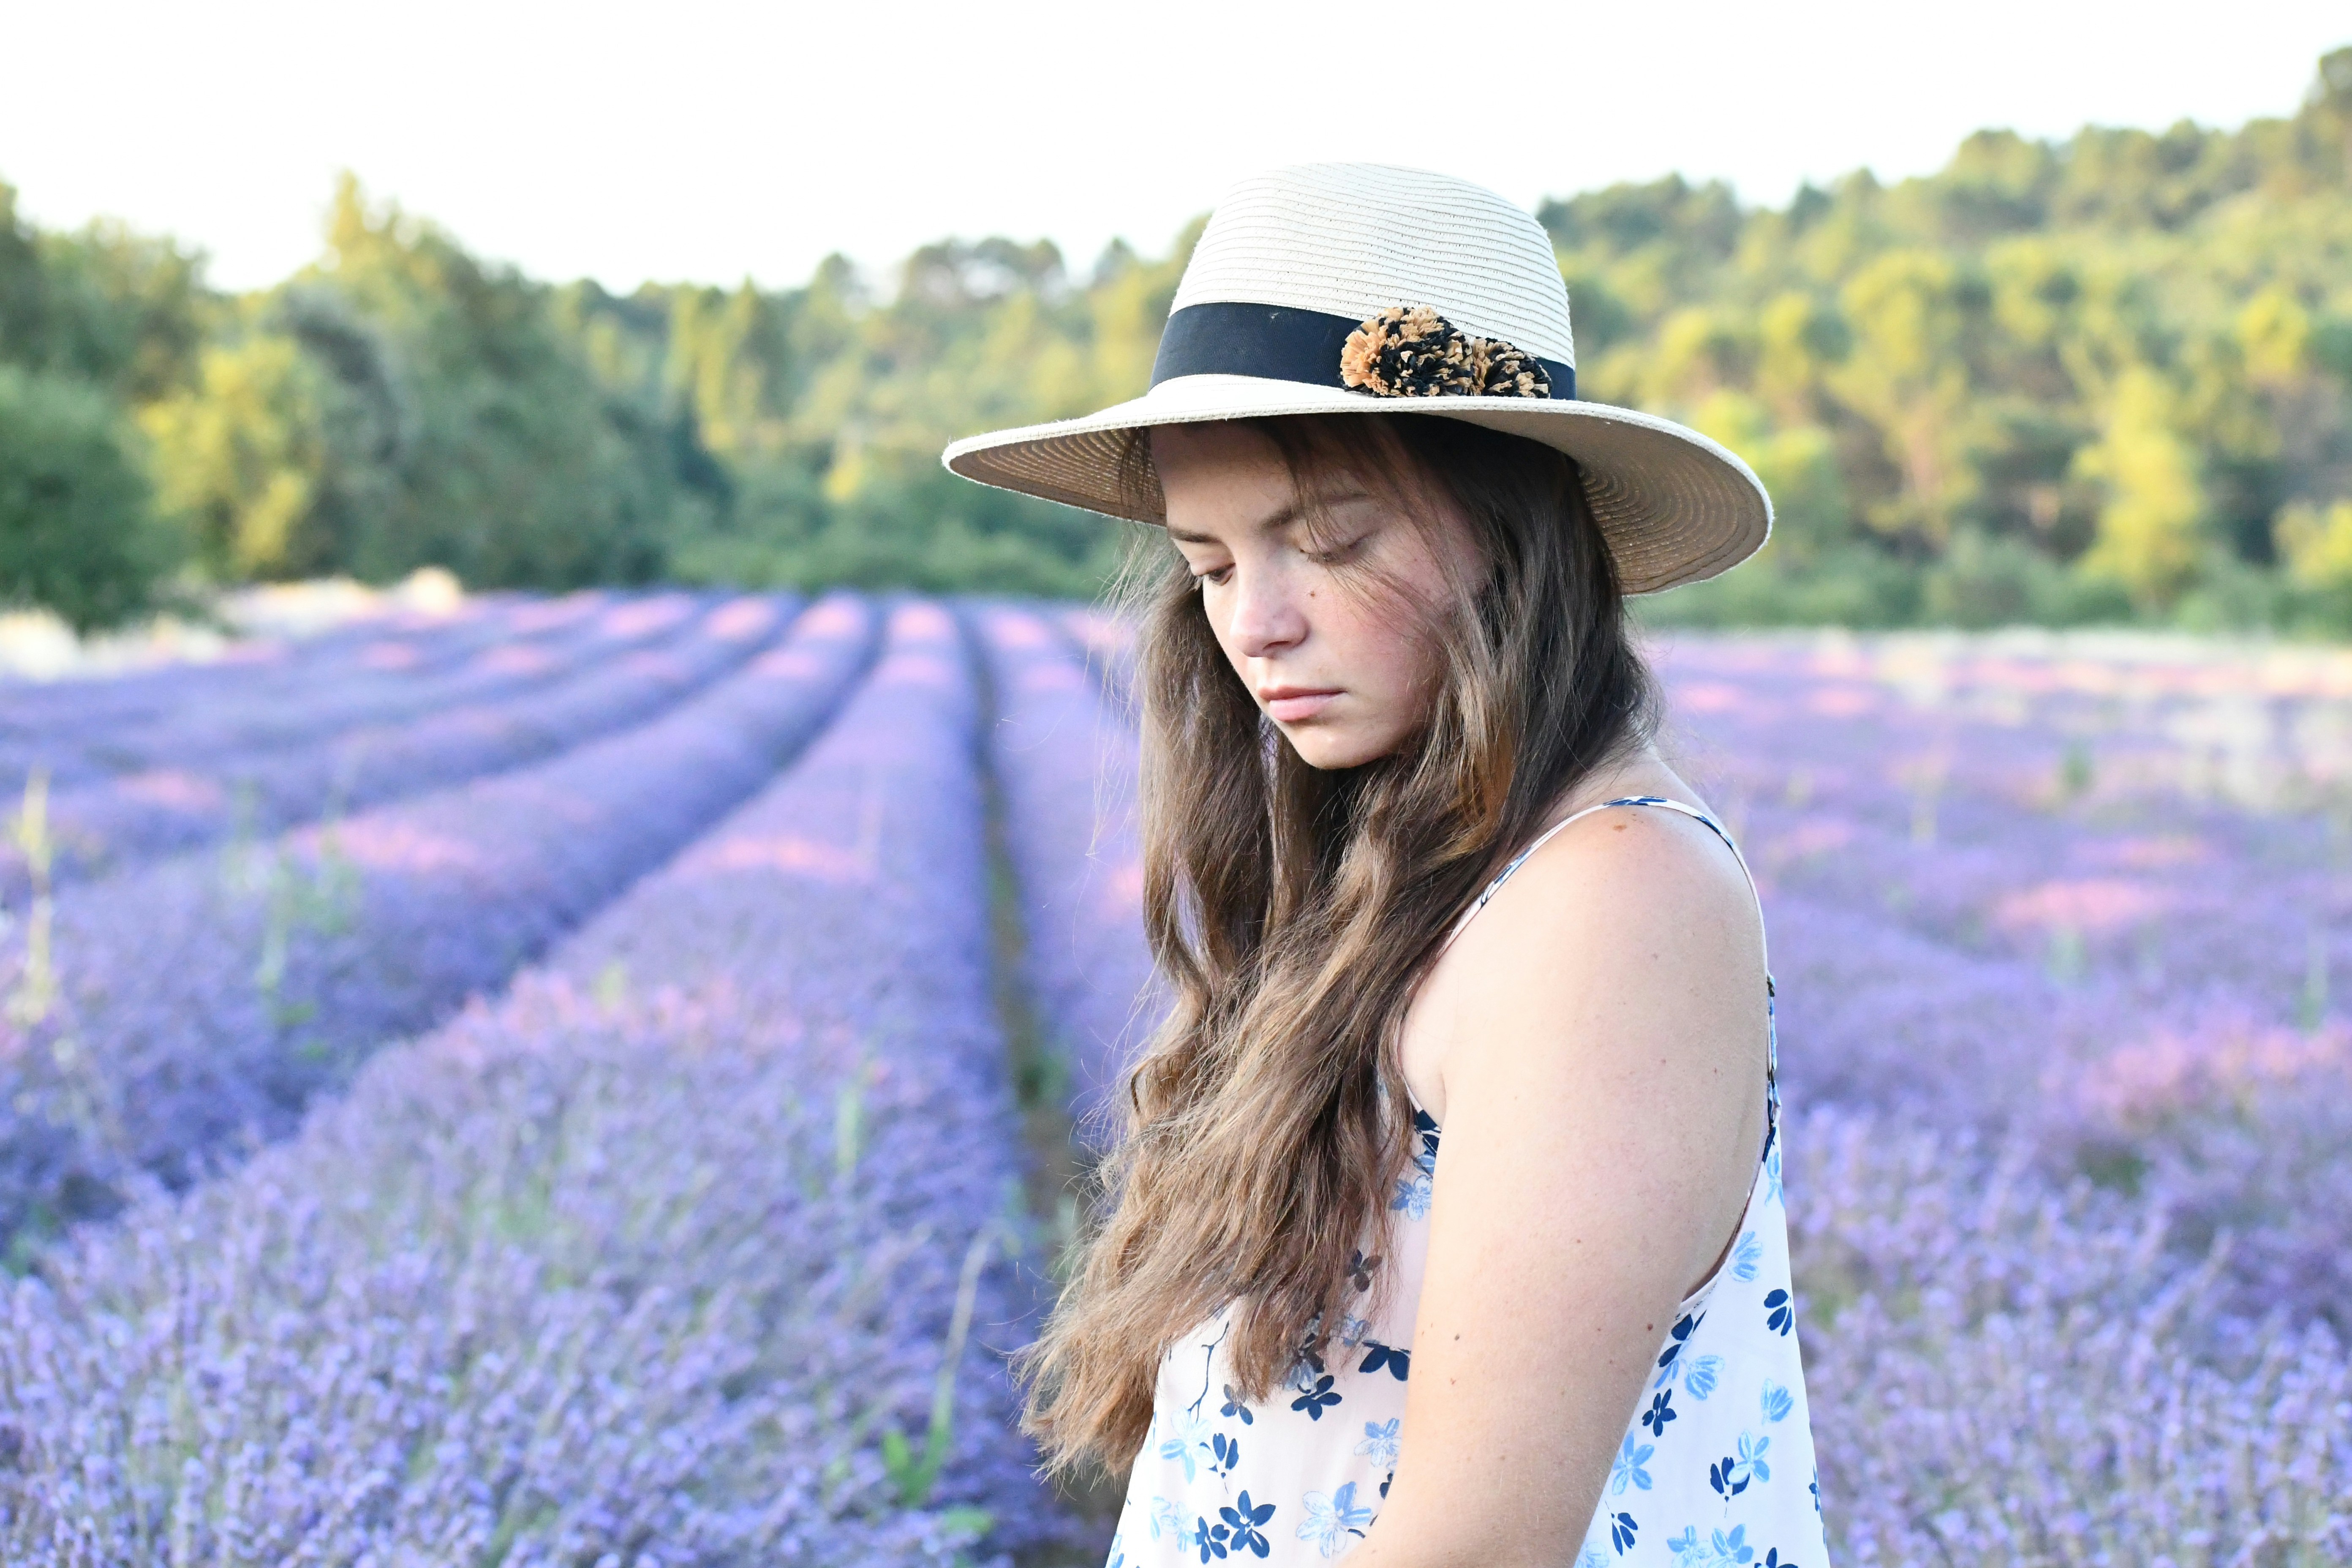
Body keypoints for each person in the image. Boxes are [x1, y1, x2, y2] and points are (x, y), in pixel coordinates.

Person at [943, 164, 1828, 1568]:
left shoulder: (1610, 900)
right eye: (1214, 565)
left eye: (1329, 541)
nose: (1259, 627)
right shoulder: (1408, 866)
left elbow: (1473, 1546)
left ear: (1511, 531)